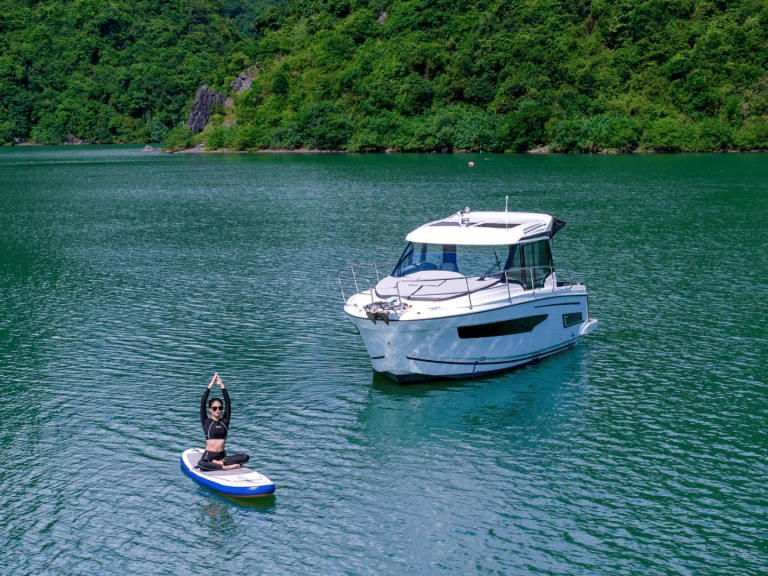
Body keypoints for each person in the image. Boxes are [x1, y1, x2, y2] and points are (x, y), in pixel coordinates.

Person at [198, 372, 250, 471]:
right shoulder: (206, 422)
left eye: (220, 408)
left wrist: (222, 386)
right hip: (209, 456)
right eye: (214, 408)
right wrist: (210, 385)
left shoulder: (224, 422)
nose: (217, 410)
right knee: (201, 464)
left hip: (222, 457)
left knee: (245, 457)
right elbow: (203, 402)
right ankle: (225, 467)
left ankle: (220, 464)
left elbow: (228, 402)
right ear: (210, 409)